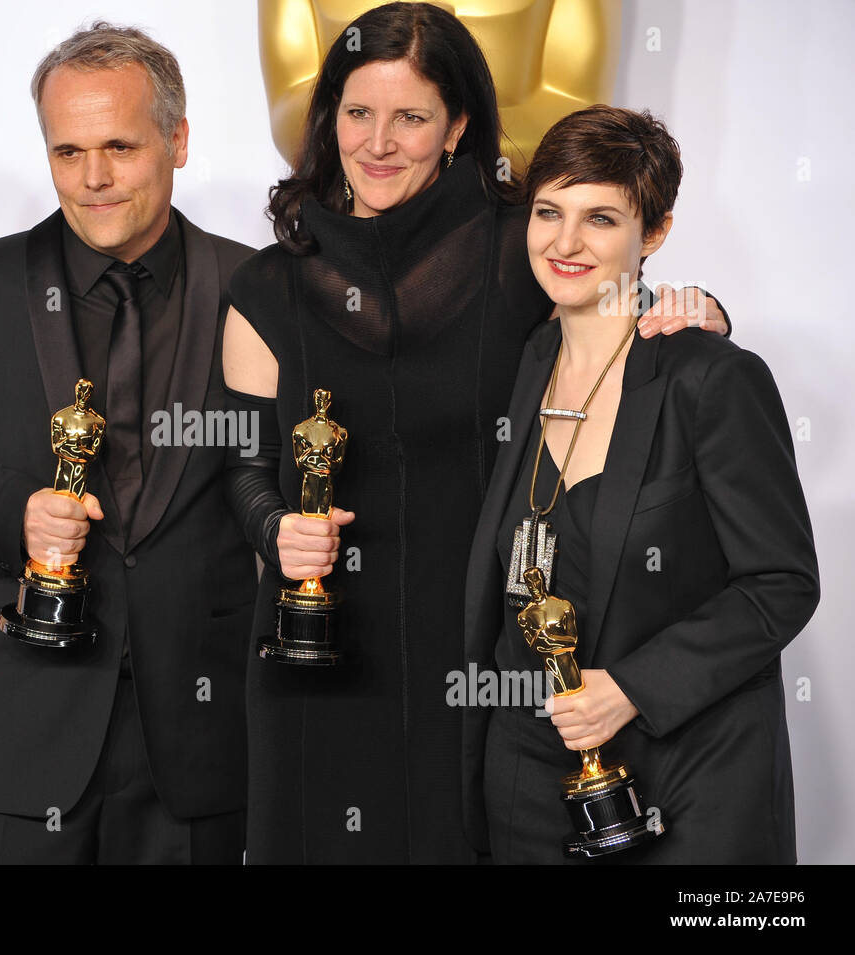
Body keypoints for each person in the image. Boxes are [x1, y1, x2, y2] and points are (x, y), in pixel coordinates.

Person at [222, 1, 727, 863]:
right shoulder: (268, 284)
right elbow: (242, 464)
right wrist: (277, 525)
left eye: (410, 117)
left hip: (486, 651)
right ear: (328, 118)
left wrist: (703, 309)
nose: (378, 142)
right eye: (357, 113)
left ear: (456, 126)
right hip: (317, 651)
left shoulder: (522, 252)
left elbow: (629, 325)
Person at [0, 23, 256, 864]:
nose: (92, 178)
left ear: (178, 139)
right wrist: (20, 514)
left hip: (200, 750)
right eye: (67, 151)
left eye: (119, 146)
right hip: (19, 739)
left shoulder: (259, 288)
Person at [462, 105, 819, 863]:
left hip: (690, 780)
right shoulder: (526, 362)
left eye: (600, 218)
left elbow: (781, 582)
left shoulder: (713, 379)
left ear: (652, 234)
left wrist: (629, 685)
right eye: (548, 211)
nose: (564, 242)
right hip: (530, 777)